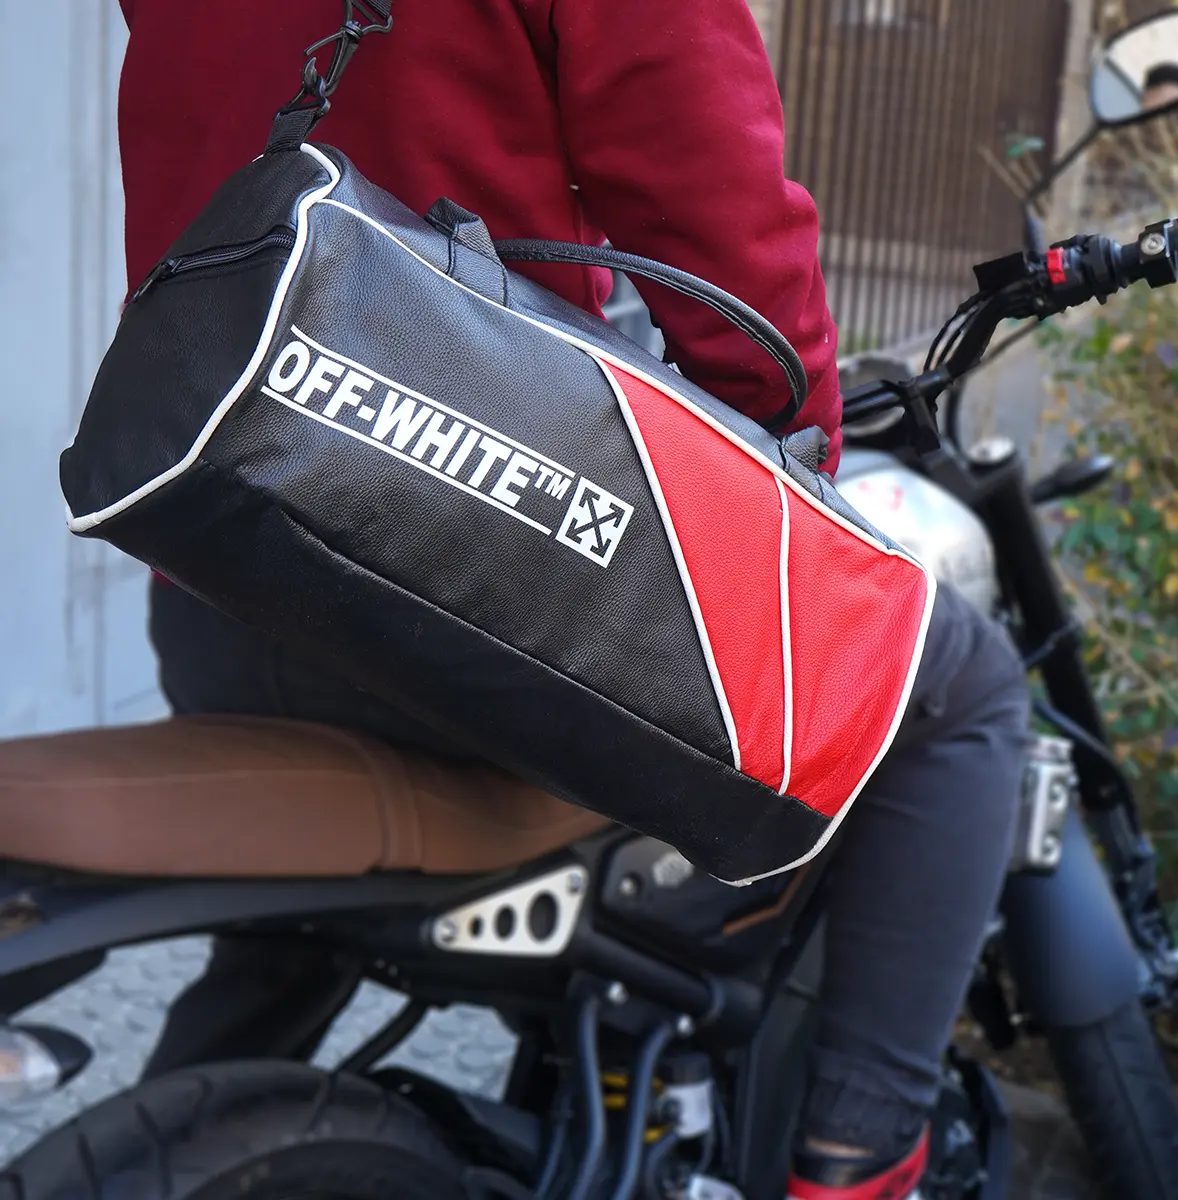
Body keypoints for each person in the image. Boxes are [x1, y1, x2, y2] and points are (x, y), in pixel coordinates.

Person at [114, 3, 1027, 1197]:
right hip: (463, 593)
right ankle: (856, 1164)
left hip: (220, 572)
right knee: (959, 690)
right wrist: (797, 467)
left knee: (281, 932)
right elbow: (727, 244)